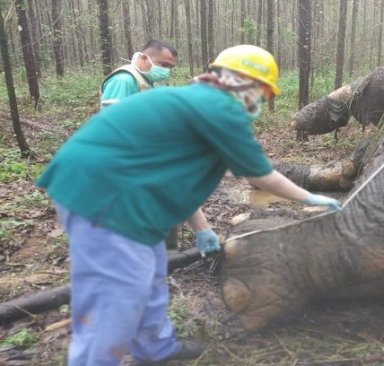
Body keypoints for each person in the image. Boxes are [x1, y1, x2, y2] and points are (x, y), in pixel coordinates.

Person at [36, 45, 341, 366]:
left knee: (151, 271)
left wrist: (202, 229)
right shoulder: (220, 109)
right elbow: (261, 175)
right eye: (263, 94)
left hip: (120, 190)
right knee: (117, 295)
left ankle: (155, 346)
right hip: (104, 197)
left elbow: (177, 180)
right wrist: (309, 197)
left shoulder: (196, 103)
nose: (261, 103)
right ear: (243, 82)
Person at [100, 39, 214, 252]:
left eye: (170, 67)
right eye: (162, 65)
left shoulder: (147, 82)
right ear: (144, 58)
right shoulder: (124, 80)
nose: (165, 71)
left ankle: (165, 259)